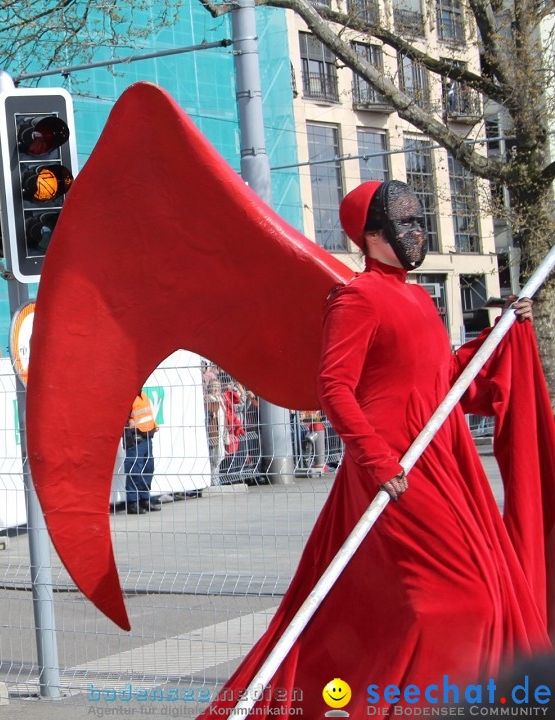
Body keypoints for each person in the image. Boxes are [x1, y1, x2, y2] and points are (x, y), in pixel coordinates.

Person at [203, 180, 551, 716]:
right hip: (396, 468)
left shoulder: (416, 295)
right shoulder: (357, 297)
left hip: (439, 460)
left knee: (468, 596)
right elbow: (334, 388)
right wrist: (377, 459)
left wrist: (501, 334)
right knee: (460, 602)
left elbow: (443, 378)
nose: (416, 232)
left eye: (418, 220)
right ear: (370, 235)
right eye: (403, 222)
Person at [123, 392, 159, 514]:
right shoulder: (128, 397)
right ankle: (132, 502)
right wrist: (129, 439)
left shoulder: (143, 395)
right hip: (135, 439)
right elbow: (124, 421)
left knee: (148, 468)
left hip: (147, 437)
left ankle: (145, 499)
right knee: (134, 470)